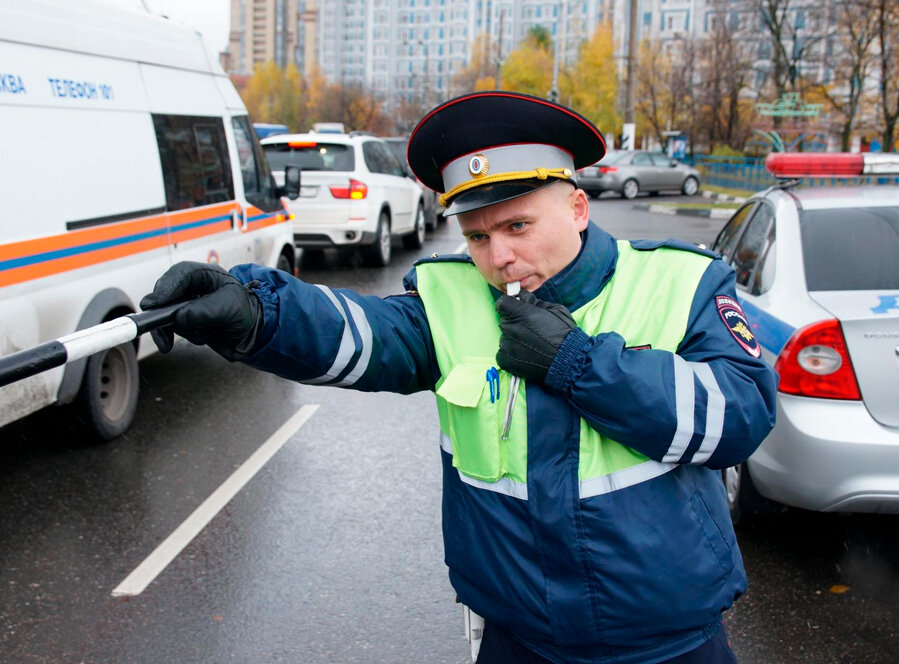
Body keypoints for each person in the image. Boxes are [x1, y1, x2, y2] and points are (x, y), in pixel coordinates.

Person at [140, 91, 778, 664]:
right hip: (518, 640)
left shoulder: (682, 282)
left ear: (578, 208)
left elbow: (741, 415)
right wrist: (254, 310)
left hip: (668, 645)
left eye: (517, 226)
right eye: (476, 237)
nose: (498, 259)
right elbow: (360, 334)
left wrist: (580, 364)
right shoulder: (454, 298)